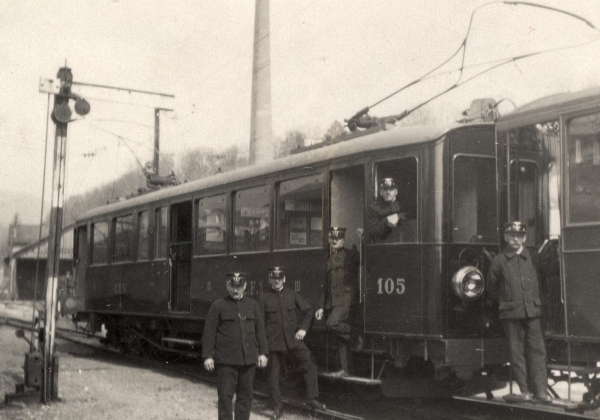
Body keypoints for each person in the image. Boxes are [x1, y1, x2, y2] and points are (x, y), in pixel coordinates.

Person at [487, 221, 551, 403]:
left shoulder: (534, 257)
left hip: (533, 313)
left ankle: (541, 392)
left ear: (524, 238)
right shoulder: (499, 260)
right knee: (517, 354)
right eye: (511, 236)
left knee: (538, 352)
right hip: (511, 314)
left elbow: (543, 282)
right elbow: (491, 286)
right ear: (506, 237)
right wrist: (506, 301)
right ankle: (524, 392)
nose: (515, 239)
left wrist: (538, 302)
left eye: (519, 236)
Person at [258, 267, 326, 419]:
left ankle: (312, 400)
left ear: (284, 279)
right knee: (273, 376)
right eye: (274, 278)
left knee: (309, 363)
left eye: (279, 278)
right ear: (270, 280)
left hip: (292, 341)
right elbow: (260, 325)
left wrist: (302, 329)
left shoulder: (291, 294)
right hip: (273, 343)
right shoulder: (264, 297)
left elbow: (308, 310)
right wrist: (263, 350)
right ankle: (277, 407)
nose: (277, 281)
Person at [202, 272, 269, 420]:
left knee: (245, 398)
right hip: (226, 362)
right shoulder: (218, 305)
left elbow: (260, 330)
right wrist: (208, 356)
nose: (236, 290)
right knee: (225, 398)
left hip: (248, 361)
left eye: (239, 286)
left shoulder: (253, 305)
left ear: (245, 286)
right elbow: (209, 332)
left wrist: (263, 353)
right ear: (227, 285)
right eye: (232, 286)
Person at [315, 227, 362, 378]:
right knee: (341, 338)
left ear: (343, 240)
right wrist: (321, 307)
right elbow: (325, 285)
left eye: (338, 239)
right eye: (332, 239)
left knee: (332, 324)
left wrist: (363, 240)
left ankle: (356, 336)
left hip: (347, 300)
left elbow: (366, 258)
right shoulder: (328, 259)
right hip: (333, 302)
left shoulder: (351, 254)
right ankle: (346, 370)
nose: (335, 241)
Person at [367, 177, 406, 243]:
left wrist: (398, 217)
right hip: (383, 246)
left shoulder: (403, 207)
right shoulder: (373, 208)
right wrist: (386, 222)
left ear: (396, 191)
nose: (388, 192)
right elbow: (371, 233)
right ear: (381, 192)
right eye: (385, 189)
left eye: (391, 189)